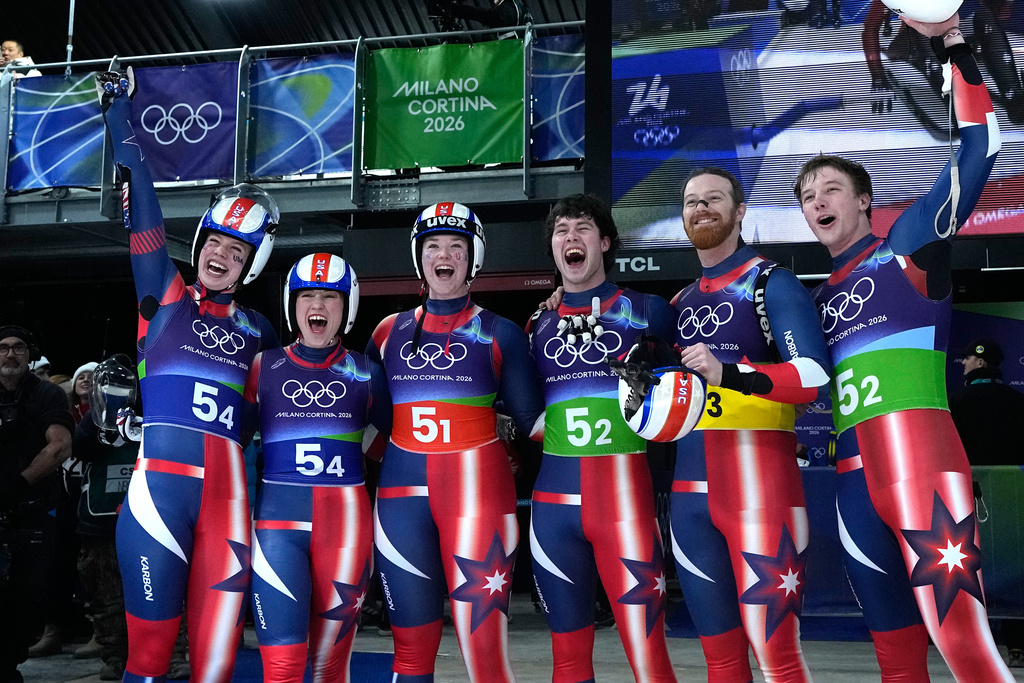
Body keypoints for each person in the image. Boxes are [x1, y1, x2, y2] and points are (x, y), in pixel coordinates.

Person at [795, 13, 1016, 682]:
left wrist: (953, 45)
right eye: (806, 195)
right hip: (851, 483)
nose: (816, 200)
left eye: (830, 188)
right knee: (894, 655)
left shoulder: (907, 244)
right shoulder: (812, 302)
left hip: (923, 467)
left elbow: (980, 151)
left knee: (964, 646)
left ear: (864, 201)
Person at [98, 69, 280, 683]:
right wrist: (118, 111)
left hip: (229, 506)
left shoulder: (260, 333)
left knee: (215, 668)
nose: (221, 253)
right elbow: (139, 189)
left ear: (251, 264)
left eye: (238, 249)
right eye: (216, 240)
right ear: (199, 242)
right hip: (159, 501)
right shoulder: (165, 296)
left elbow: (274, 420)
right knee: (147, 662)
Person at [367, 202, 544, 683]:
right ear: (418, 256)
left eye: (456, 247)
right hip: (400, 504)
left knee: (484, 654)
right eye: (433, 246)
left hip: (478, 500)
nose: (444, 255)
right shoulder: (386, 332)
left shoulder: (500, 332)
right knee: (409, 652)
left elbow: (534, 424)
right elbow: (367, 421)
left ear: (474, 257)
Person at [670, 168, 830, 682]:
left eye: (714, 199)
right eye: (692, 201)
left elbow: (811, 376)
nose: (702, 208)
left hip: (761, 490)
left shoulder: (770, 282)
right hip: (690, 498)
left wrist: (730, 373)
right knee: (720, 660)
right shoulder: (679, 303)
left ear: (740, 212)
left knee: (777, 659)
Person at [526, 194, 678, 682]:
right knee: (567, 662)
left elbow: (682, 403)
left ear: (606, 241)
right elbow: (528, 411)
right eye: (561, 230)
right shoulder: (537, 323)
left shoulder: (647, 309)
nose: (571, 237)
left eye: (583, 228)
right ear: (552, 248)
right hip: (553, 508)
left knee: (649, 656)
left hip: (626, 504)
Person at [245, 253, 389, 683]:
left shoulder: (368, 374)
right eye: (308, 295)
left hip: (345, 529)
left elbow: (393, 444)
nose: (318, 307)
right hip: (276, 529)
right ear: (293, 304)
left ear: (348, 307)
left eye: (330, 297)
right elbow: (229, 443)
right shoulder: (262, 367)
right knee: (283, 667)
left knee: (330, 667)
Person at [0, 324, 74, 683]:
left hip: (31, 507)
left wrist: (19, 484)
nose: (10, 354)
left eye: (18, 348)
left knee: (25, 599)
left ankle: (9, 665)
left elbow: (60, 445)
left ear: (29, 356)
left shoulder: (47, 394)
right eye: (2, 348)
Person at [73, 354, 142, 681]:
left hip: (145, 520)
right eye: (110, 385)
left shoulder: (149, 414)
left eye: (123, 385)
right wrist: (100, 412)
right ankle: (115, 657)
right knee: (106, 598)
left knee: (161, 589)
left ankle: (172, 652)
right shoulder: (91, 422)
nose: (117, 390)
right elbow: (79, 447)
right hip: (99, 522)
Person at [950, 338, 1024, 467]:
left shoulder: (959, 398)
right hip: (1013, 480)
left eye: (967, 357)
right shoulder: (1018, 398)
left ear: (980, 362)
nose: (963, 362)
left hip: (972, 479)